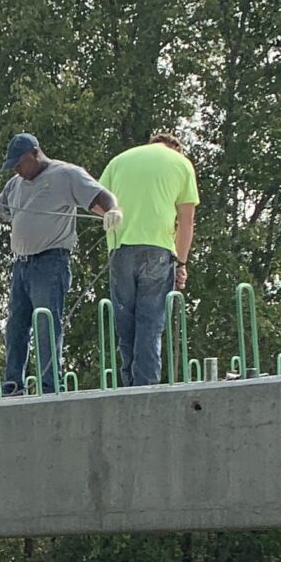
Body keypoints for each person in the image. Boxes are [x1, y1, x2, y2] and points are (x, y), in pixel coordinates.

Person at [0, 134, 116, 394]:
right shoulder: (15, 185)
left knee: (46, 324)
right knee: (16, 325)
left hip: (51, 261)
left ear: (35, 153)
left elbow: (101, 196)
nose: (16, 169)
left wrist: (113, 211)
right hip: (21, 264)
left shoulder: (67, 174)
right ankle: (13, 384)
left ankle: (50, 385)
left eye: (19, 163)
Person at [96, 133, 199, 386]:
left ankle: (128, 385)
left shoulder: (119, 161)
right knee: (150, 323)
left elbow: (97, 202)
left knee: (126, 323)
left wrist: (113, 214)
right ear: (176, 147)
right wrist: (181, 264)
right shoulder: (181, 163)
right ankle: (147, 387)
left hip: (121, 249)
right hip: (158, 250)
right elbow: (186, 222)